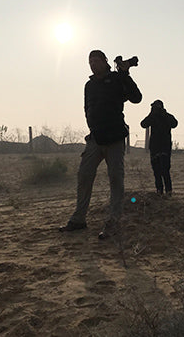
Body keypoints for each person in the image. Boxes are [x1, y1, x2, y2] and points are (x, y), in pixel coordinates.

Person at [59, 50, 142, 239]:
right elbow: (87, 108)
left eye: (96, 60)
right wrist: (91, 128)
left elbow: (136, 98)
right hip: (95, 138)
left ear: (105, 62)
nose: (92, 64)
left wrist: (125, 73)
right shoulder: (89, 85)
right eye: (90, 61)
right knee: (84, 176)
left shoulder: (117, 79)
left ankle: (113, 223)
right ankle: (79, 220)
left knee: (116, 179)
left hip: (115, 139)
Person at [140, 100, 178, 197]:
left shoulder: (163, 116)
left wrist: (159, 114)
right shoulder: (156, 117)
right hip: (160, 148)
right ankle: (162, 191)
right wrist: (154, 114)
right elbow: (143, 124)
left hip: (160, 148)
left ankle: (165, 191)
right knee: (159, 171)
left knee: (162, 170)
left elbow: (174, 124)